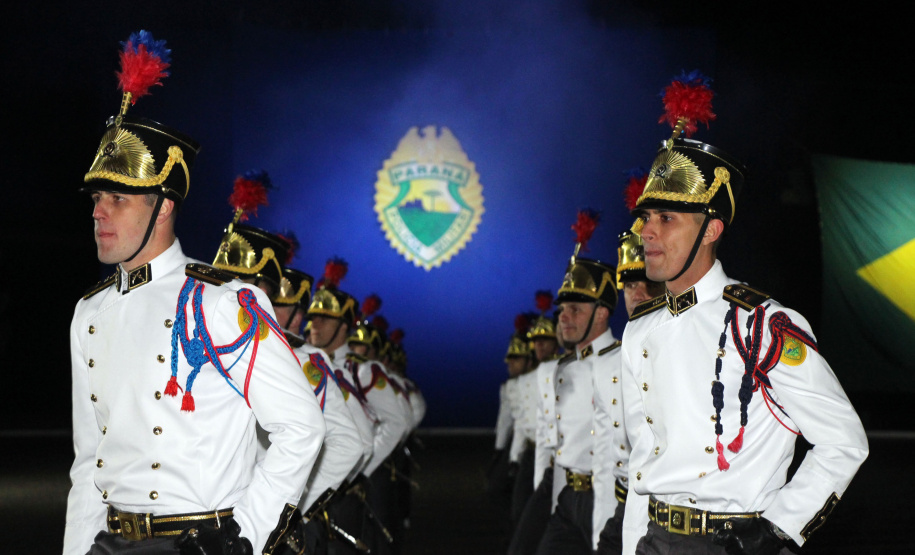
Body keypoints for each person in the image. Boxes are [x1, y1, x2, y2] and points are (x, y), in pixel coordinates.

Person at [65, 31, 326, 555]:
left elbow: (301, 427)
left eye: (118, 198)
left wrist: (245, 537)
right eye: (97, 197)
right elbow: (89, 463)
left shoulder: (220, 302)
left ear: (163, 208)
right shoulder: (88, 313)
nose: (98, 212)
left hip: (198, 545)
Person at [620, 72, 868, 554]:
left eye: (666, 218)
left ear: (711, 231)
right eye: (645, 218)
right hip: (654, 539)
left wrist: (776, 530)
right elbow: (641, 462)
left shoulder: (761, 325)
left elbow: (844, 440)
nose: (647, 231)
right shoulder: (641, 329)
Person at [535, 210, 620, 555]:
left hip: (609, 498)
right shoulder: (564, 368)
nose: (564, 317)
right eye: (562, 311)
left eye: (575, 309)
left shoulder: (622, 363)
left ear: (602, 313)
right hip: (568, 497)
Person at [592, 176, 666, 555]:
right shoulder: (620, 353)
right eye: (627, 285)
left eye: (645, 283)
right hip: (624, 504)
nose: (636, 293)